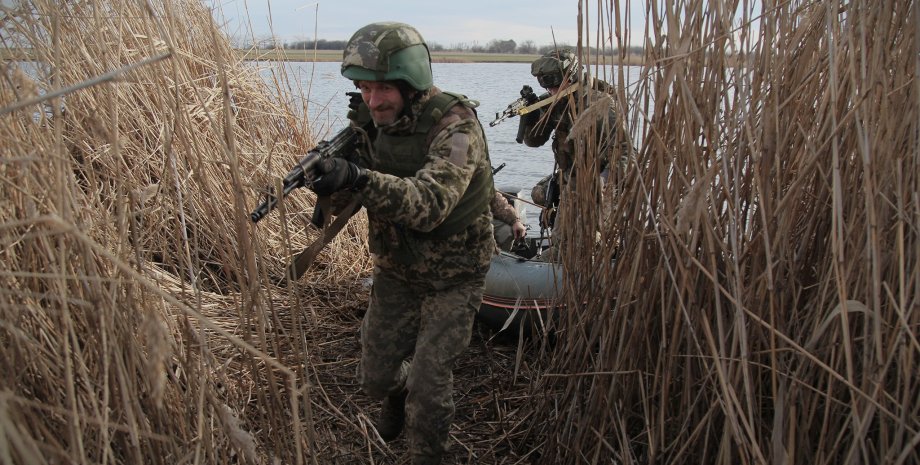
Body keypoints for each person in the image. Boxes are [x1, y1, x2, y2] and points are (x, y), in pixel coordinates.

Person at [306, 22, 495, 465]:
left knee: (429, 392)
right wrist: (333, 182)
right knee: (375, 377)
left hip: (455, 276)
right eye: (364, 90)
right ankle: (396, 392)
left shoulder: (456, 126)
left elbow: (429, 204)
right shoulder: (370, 127)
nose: (373, 101)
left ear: (410, 81)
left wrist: (360, 177)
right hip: (397, 269)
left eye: (383, 90)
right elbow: (359, 192)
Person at [516, 48, 630, 259]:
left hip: (599, 181)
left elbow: (625, 152)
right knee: (541, 197)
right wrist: (530, 116)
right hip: (571, 178)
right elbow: (534, 141)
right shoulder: (555, 101)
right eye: (545, 84)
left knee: (576, 246)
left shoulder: (600, 103)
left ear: (571, 75)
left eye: (553, 83)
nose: (550, 89)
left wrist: (604, 184)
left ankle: (601, 250)